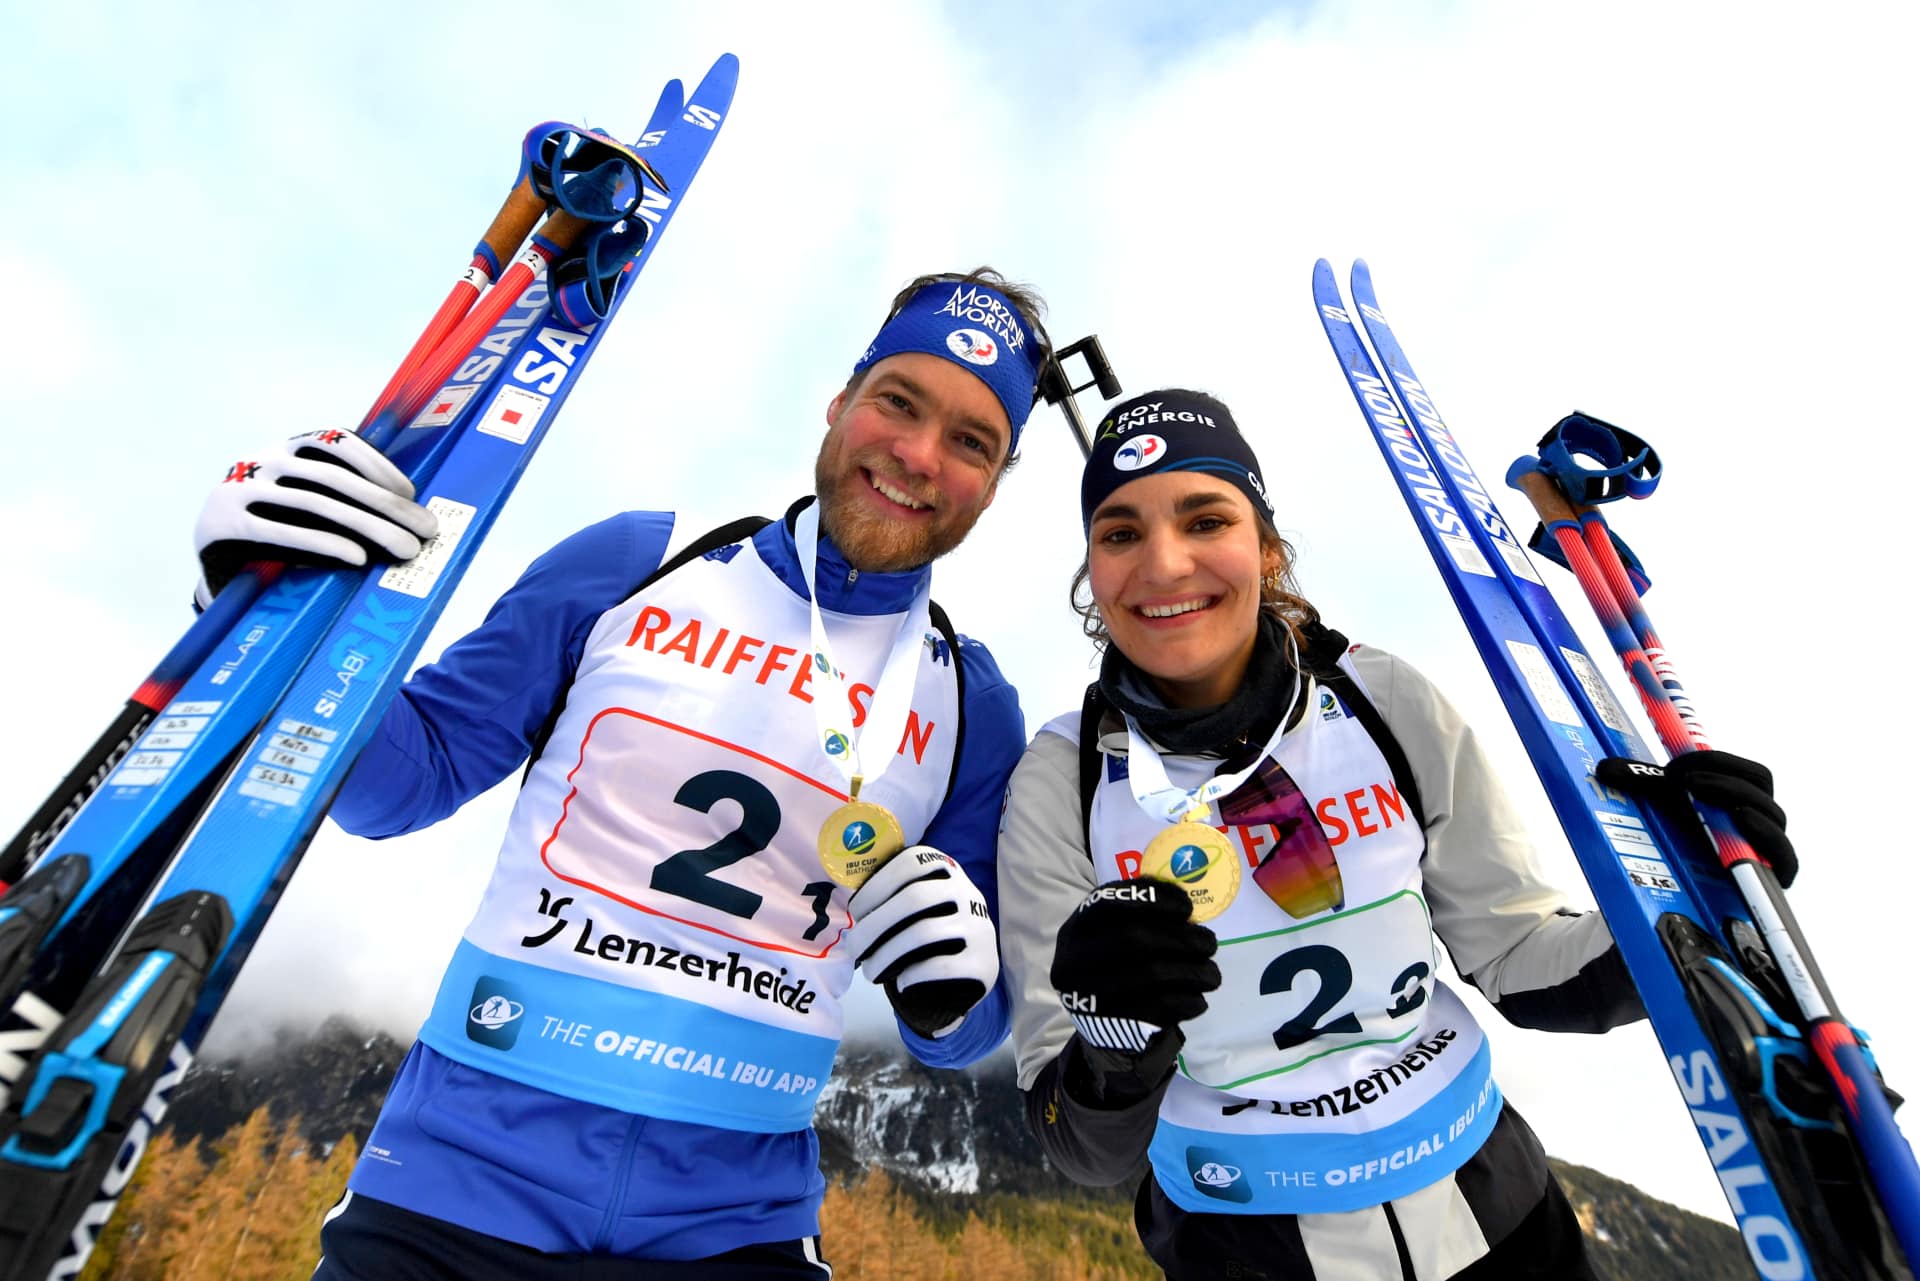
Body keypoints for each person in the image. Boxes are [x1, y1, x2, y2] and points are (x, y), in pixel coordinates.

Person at [191, 268, 1052, 1278]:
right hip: (452, 1191)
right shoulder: (641, 560)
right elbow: (398, 786)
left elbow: (963, 1034)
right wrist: (271, 621)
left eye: (971, 442)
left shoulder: (970, 699)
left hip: (739, 1232)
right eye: (898, 403)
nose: (916, 455)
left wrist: (953, 994)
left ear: (994, 483)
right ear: (842, 400)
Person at [994, 388, 1796, 1280]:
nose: (1166, 562)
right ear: (1092, 573)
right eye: (1119, 533)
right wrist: (1113, 1052)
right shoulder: (1062, 780)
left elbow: (1521, 957)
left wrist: (1683, 905)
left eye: (1205, 517)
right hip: (1246, 1248)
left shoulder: (1379, 699)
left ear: (1264, 545)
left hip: (1501, 1213)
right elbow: (1079, 1144)